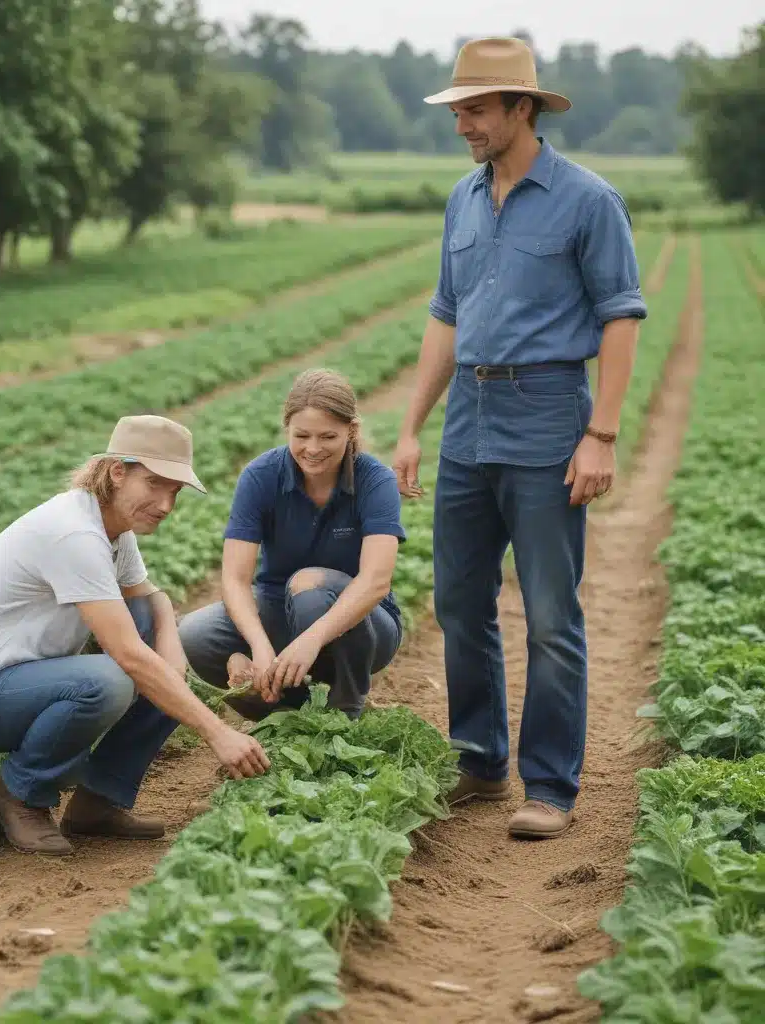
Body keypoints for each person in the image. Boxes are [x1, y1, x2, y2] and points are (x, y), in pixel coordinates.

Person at [392, 37, 647, 840]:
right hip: (468, 420)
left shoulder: (587, 200)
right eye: (458, 109)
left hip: (547, 414)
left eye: (474, 108)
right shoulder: (462, 201)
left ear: (521, 109)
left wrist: (600, 433)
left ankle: (550, 785)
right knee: (461, 603)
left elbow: (620, 319)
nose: (462, 123)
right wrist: (410, 426)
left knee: (547, 611)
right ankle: (477, 758)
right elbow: (446, 316)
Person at [0, 414, 270, 857]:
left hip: (27, 677)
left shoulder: (112, 526)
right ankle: (19, 793)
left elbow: (151, 599)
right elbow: (128, 655)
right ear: (118, 471)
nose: (166, 504)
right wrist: (217, 733)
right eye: (155, 484)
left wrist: (173, 664)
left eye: (175, 492)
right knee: (113, 679)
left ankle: (98, 799)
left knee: (152, 641)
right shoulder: (74, 533)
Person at [179, 369, 405, 721]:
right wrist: (259, 645)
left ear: (352, 431)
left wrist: (310, 639)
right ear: (287, 429)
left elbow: (376, 581)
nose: (313, 449)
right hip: (277, 609)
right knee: (193, 635)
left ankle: (346, 708)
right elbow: (235, 580)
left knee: (310, 584)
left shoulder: (375, 480)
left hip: (364, 626)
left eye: (328, 436)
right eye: (301, 436)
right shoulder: (261, 476)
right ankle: (287, 716)